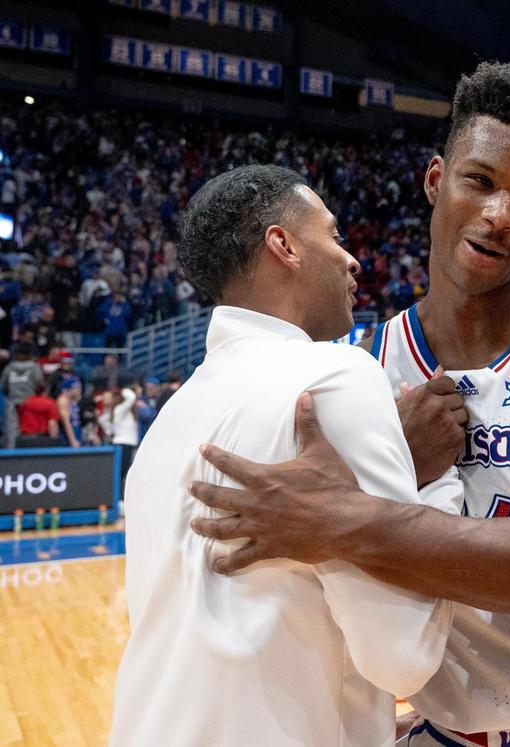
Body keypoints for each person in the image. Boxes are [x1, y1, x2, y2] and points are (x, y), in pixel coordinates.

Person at [187, 62, 510, 746]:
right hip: (439, 729)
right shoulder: (356, 366)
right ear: (434, 179)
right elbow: (297, 551)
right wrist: (394, 481)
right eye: (479, 181)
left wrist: (352, 514)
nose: (499, 216)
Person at [110, 165, 457, 746]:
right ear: (284, 245)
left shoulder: (169, 419)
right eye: (335, 236)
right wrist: (438, 485)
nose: (353, 260)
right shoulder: (335, 376)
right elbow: (403, 659)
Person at [1, 343, 44, 449]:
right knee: (30, 430)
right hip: (30, 402)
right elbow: (40, 384)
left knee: (11, 431)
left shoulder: (9, 368)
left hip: (12, 402)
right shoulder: (34, 367)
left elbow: (3, 386)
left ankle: (10, 455)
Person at [16, 383, 60, 447]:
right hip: (42, 439)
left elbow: (20, 419)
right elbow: (52, 424)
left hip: (25, 439)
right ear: (46, 391)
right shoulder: (50, 403)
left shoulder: (25, 402)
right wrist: (54, 440)